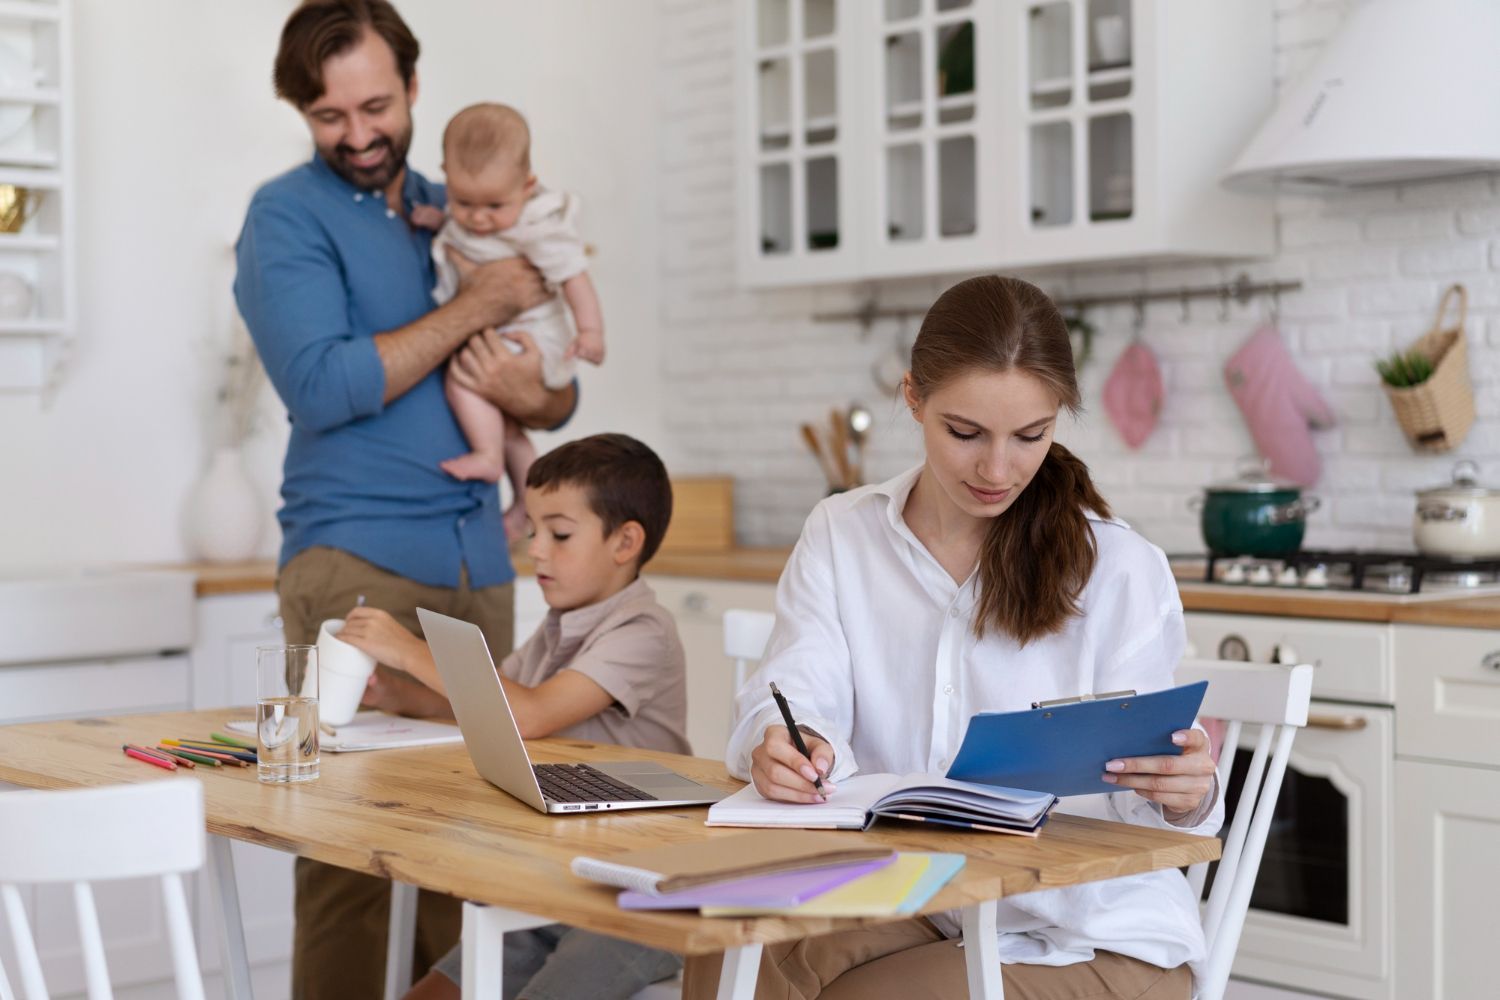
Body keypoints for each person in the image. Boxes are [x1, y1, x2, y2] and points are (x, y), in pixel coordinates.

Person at [685, 275, 1222, 1000]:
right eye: (965, 433)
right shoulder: (844, 535)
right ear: (913, 398)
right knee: (728, 954)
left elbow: (1158, 801)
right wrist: (790, 742)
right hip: (920, 897)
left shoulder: (1119, 568)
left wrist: (1186, 792)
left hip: (1089, 930)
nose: (997, 470)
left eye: (1030, 436)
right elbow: (793, 687)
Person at [233, 2, 577, 996]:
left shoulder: (457, 202)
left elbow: (558, 387)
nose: (358, 134)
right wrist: (477, 308)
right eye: (328, 116)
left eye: (375, 106)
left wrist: (530, 385)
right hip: (354, 566)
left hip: (480, 567)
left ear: (415, 90)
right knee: (348, 855)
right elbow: (324, 385)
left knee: (468, 857)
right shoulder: (285, 216)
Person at [338, 433, 688, 1000]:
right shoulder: (556, 627)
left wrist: (408, 649)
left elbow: (527, 715)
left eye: (560, 534)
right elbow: (491, 705)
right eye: (532, 531)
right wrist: (402, 697)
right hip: (558, 876)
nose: (537, 550)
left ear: (625, 542)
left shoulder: (643, 632)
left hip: (644, 893)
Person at [411, 103, 604, 541]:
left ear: (527, 186)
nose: (479, 219)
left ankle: (486, 455)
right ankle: (524, 506)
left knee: (463, 378)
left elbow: (575, 277)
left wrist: (591, 331)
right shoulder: (476, 217)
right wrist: (439, 219)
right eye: (464, 203)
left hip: (532, 334)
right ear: (447, 177)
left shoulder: (538, 228)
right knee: (510, 429)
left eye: (494, 206)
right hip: (506, 335)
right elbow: (465, 236)